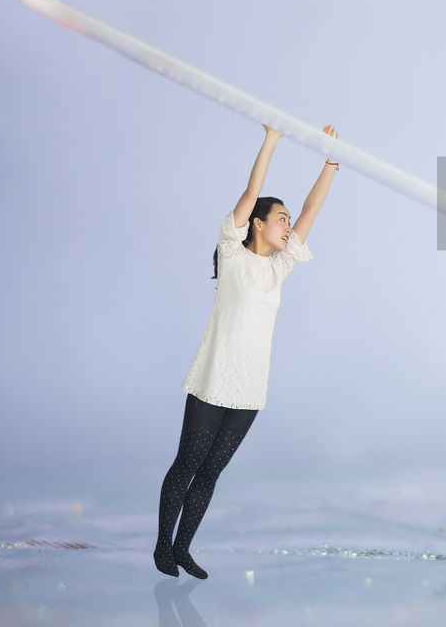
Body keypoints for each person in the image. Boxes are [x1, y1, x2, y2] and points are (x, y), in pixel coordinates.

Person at [153, 123, 339, 579]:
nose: (289, 227)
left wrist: (331, 162)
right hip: (214, 378)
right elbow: (252, 189)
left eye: (289, 222)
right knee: (187, 463)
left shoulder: (280, 267)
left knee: (211, 474)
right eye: (281, 219)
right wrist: (272, 139)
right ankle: (162, 545)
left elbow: (314, 209)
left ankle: (183, 548)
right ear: (257, 223)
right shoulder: (232, 253)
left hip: (250, 388)